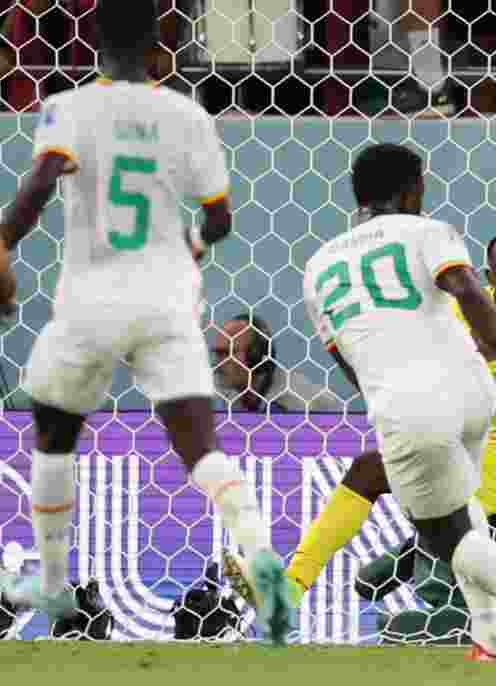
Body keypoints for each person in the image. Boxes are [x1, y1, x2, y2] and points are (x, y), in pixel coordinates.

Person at [226, 143, 496, 661]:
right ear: (412, 190)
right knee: (462, 515)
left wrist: (389, 403)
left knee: (455, 541)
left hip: (411, 404)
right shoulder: (429, 232)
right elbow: (471, 293)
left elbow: (345, 357)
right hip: (473, 390)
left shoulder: (319, 267)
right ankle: (489, 638)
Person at [0, 0, 292, 645]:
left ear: (93, 41)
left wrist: (3, 241)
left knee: (53, 436)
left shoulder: (72, 108)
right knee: (202, 449)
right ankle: (262, 558)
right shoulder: (186, 114)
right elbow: (220, 220)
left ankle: (52, 582)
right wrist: (186, 244)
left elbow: (42, 183)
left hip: (91, 299)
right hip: (167, 299)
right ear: (162, 45)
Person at [211, 313, 343, 413]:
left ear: (255, 358)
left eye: (227, 353)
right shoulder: (228, 389)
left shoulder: (296, 401)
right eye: (217, 353)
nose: (218, 363)